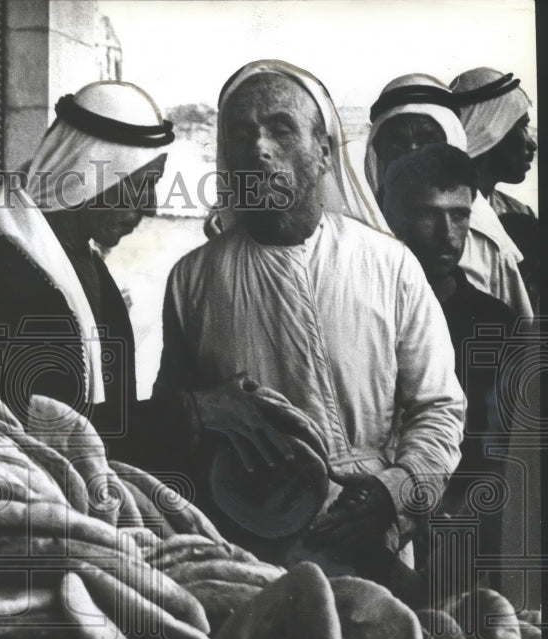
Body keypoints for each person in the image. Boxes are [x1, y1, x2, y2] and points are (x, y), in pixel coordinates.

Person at [155, 60, 466, 577]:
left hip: (374, 533)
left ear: (323, 151)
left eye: (280, 128)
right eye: (240, 133)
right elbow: (180, 420)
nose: (259, 147)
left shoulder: (390, 265)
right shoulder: (193, 280)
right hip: (244, 547)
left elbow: (437, 410)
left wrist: (393, 495)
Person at [0, 81, 172, 463]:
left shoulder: (81, 263)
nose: (151, 207)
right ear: (89, 174)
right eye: (142, 185)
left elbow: (109, 426)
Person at [381, 143, 518, 592]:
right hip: (373, 518)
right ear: (393, 216)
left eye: (460, 215)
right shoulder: (368, 311)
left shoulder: (496, 323)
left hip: (464, 533)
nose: (447, 233)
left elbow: (502, 452)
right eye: (428, 214)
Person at [365, 74, 532, 318]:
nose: (412, 155)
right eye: (397, 142)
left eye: (427, 140)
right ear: (378, 151)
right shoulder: (358, 224)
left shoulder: (487, 240)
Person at [451, 68, 539, 312]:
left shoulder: (521, 212)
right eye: (521, 126)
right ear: (491, 130)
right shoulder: (444, 220)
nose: (532, 143)